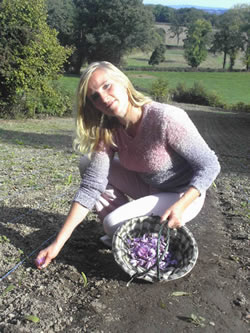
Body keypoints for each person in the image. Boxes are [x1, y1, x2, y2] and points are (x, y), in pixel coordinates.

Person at [35, 61, 220, 269]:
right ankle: (129, 229)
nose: (104, 98)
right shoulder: (108, 131)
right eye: (95, 96)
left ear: (122, 81)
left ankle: (126, 228)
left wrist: (182, 205)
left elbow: (209, 164)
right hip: (150, 188)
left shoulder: (165, 119)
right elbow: (91, 187)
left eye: (106, 86)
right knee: (88, 163)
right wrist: (57, 244)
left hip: (183, 195)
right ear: (93, 105)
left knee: (111, 223)